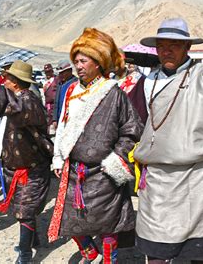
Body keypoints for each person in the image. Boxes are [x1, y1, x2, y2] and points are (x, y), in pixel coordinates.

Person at [133, 18, 203, 263]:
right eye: (162, 45)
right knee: (156, 253)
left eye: (174, 44)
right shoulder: (146, 83)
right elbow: (137, 125)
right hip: (158, 182)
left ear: (187, 48)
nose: (167, 50)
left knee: (202, 252)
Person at [48, 28, 143, 263]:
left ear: (98, 63)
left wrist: (115, 161)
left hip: (103, 171)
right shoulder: (71, 89)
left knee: (108, 221)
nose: (78, 66)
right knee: (69, 217)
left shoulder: (113, 93)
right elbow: (63, 124)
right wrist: (58, 157)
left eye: (83, 61)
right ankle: (90, 252)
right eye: (76, 61)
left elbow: (131, 130)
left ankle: (110, 259)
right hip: (75, 169)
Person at [0, 60, 52, 263]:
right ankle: (33, 240)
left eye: (7, 78)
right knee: (23, 207)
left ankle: (25, 253)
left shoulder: (27, 101)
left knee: (24, 211)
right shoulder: (20, 98)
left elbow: (15, 112)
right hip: (18, 166)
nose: (4, 81)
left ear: (16, 82)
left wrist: (0, 93)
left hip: (32, 168)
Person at [51, 59, 77, 132]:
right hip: (60, 119)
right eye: (60, 73)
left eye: (62, 73)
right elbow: (56, 102)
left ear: (70, 71)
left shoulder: (76, 83)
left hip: (70, 120)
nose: (60, 75)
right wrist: (54, 119)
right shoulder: (60, 84)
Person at [42, 63, 57, 135]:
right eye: (46, 72)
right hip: (47, 106)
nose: (47, 73)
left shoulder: (56, 80)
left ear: (52, 71)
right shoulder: (45, 82)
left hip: (54, 105)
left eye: (49, 71)